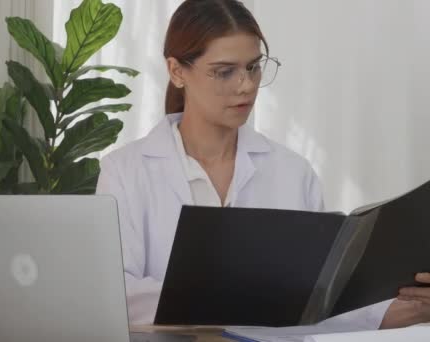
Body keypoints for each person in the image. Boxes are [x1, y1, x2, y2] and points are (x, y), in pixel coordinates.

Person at [96, 0, 430, 330]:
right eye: (224, 71)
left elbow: (320, 302)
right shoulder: (125, 172)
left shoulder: (293, 172)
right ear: (176, 71)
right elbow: (115, 294)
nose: (246, 84)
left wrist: (397, 309)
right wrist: (245, 298)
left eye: (253, 67)